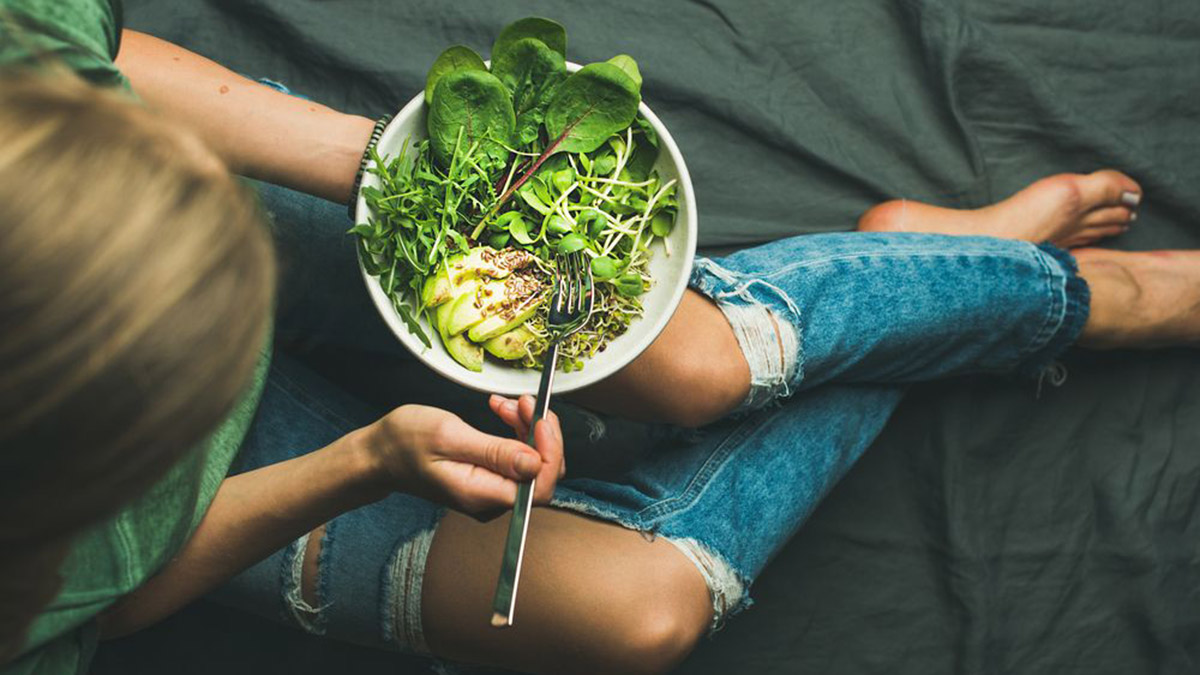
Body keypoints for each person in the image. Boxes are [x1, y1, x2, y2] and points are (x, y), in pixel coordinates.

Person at [5, 3, 1200, 675]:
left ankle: (1059, 293)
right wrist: (360, 462)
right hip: (163, 469)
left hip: (206, 193)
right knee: (640, 614)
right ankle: (945, 276)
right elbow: (106, 603)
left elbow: (80, 55)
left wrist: (400, 176)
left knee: (691, 367)